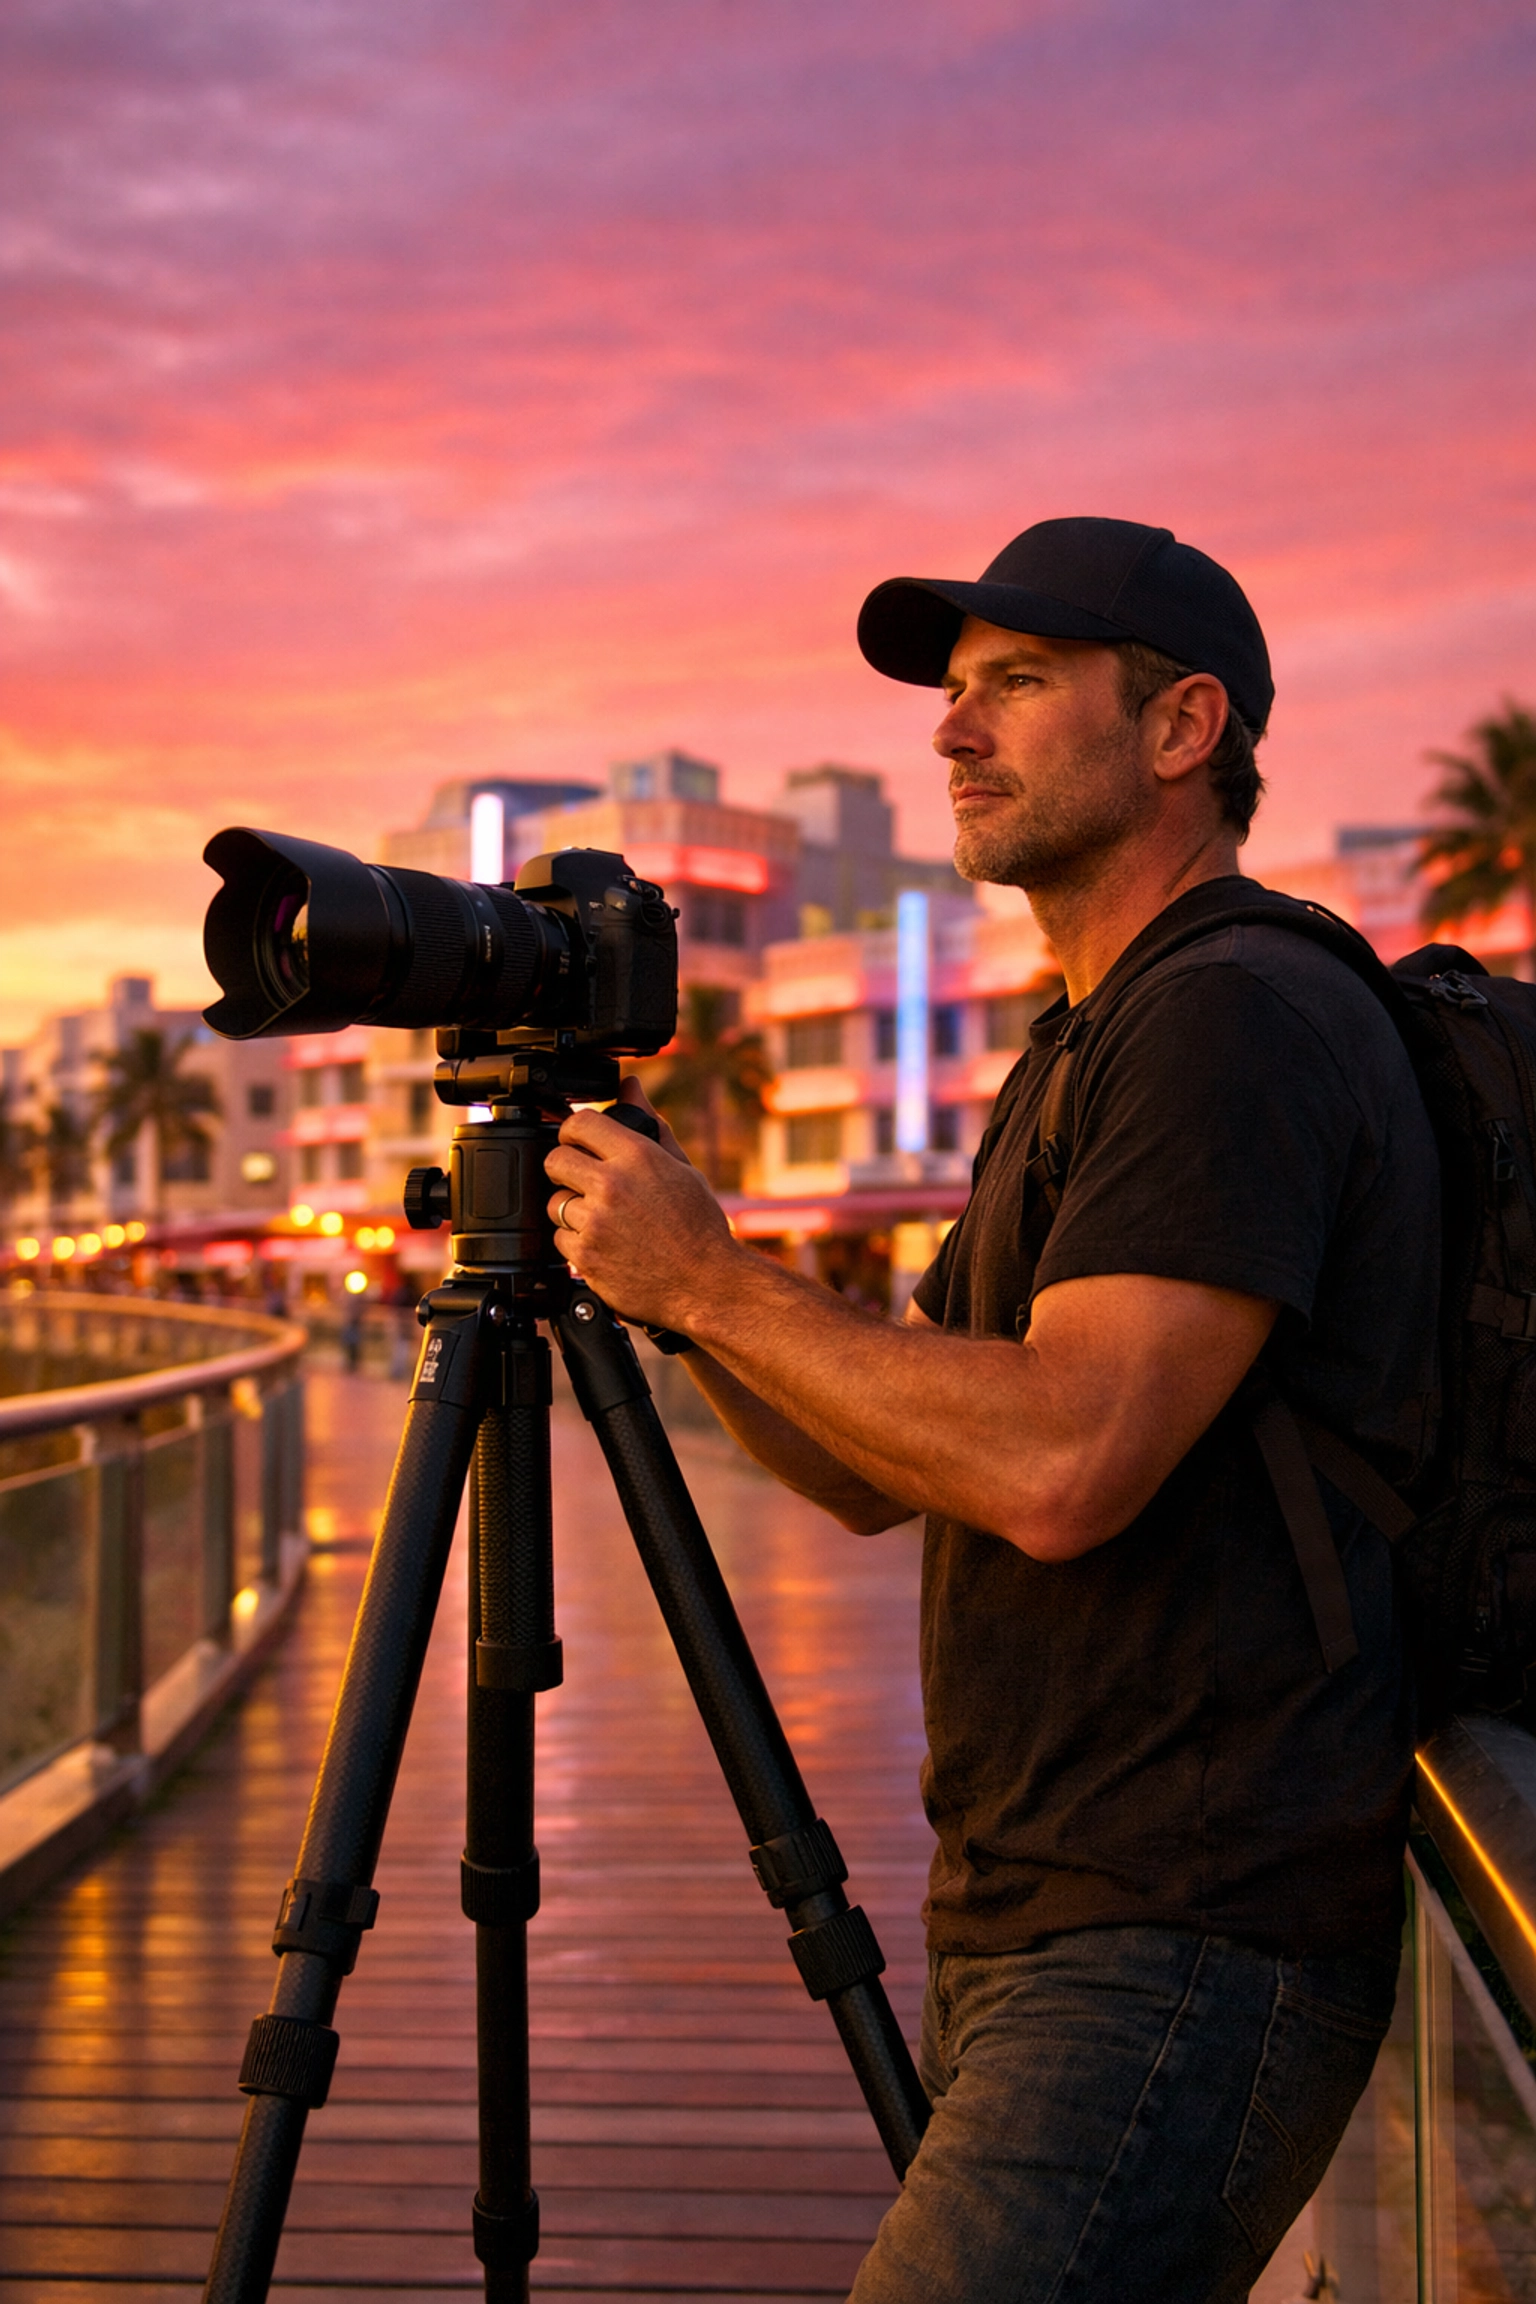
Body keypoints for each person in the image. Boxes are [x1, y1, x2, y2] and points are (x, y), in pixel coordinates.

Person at [543, 517, 1440, 2302]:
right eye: (954, 698)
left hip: (1188, 1924)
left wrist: (718, 1284)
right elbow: (891, 1473)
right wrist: (671, 1294)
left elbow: (1059, 1458)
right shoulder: (1092, 1044)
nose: (953, 736)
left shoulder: (1234, 1018)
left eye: (1016, 688)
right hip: (1052, 1906)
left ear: (1184, 730)